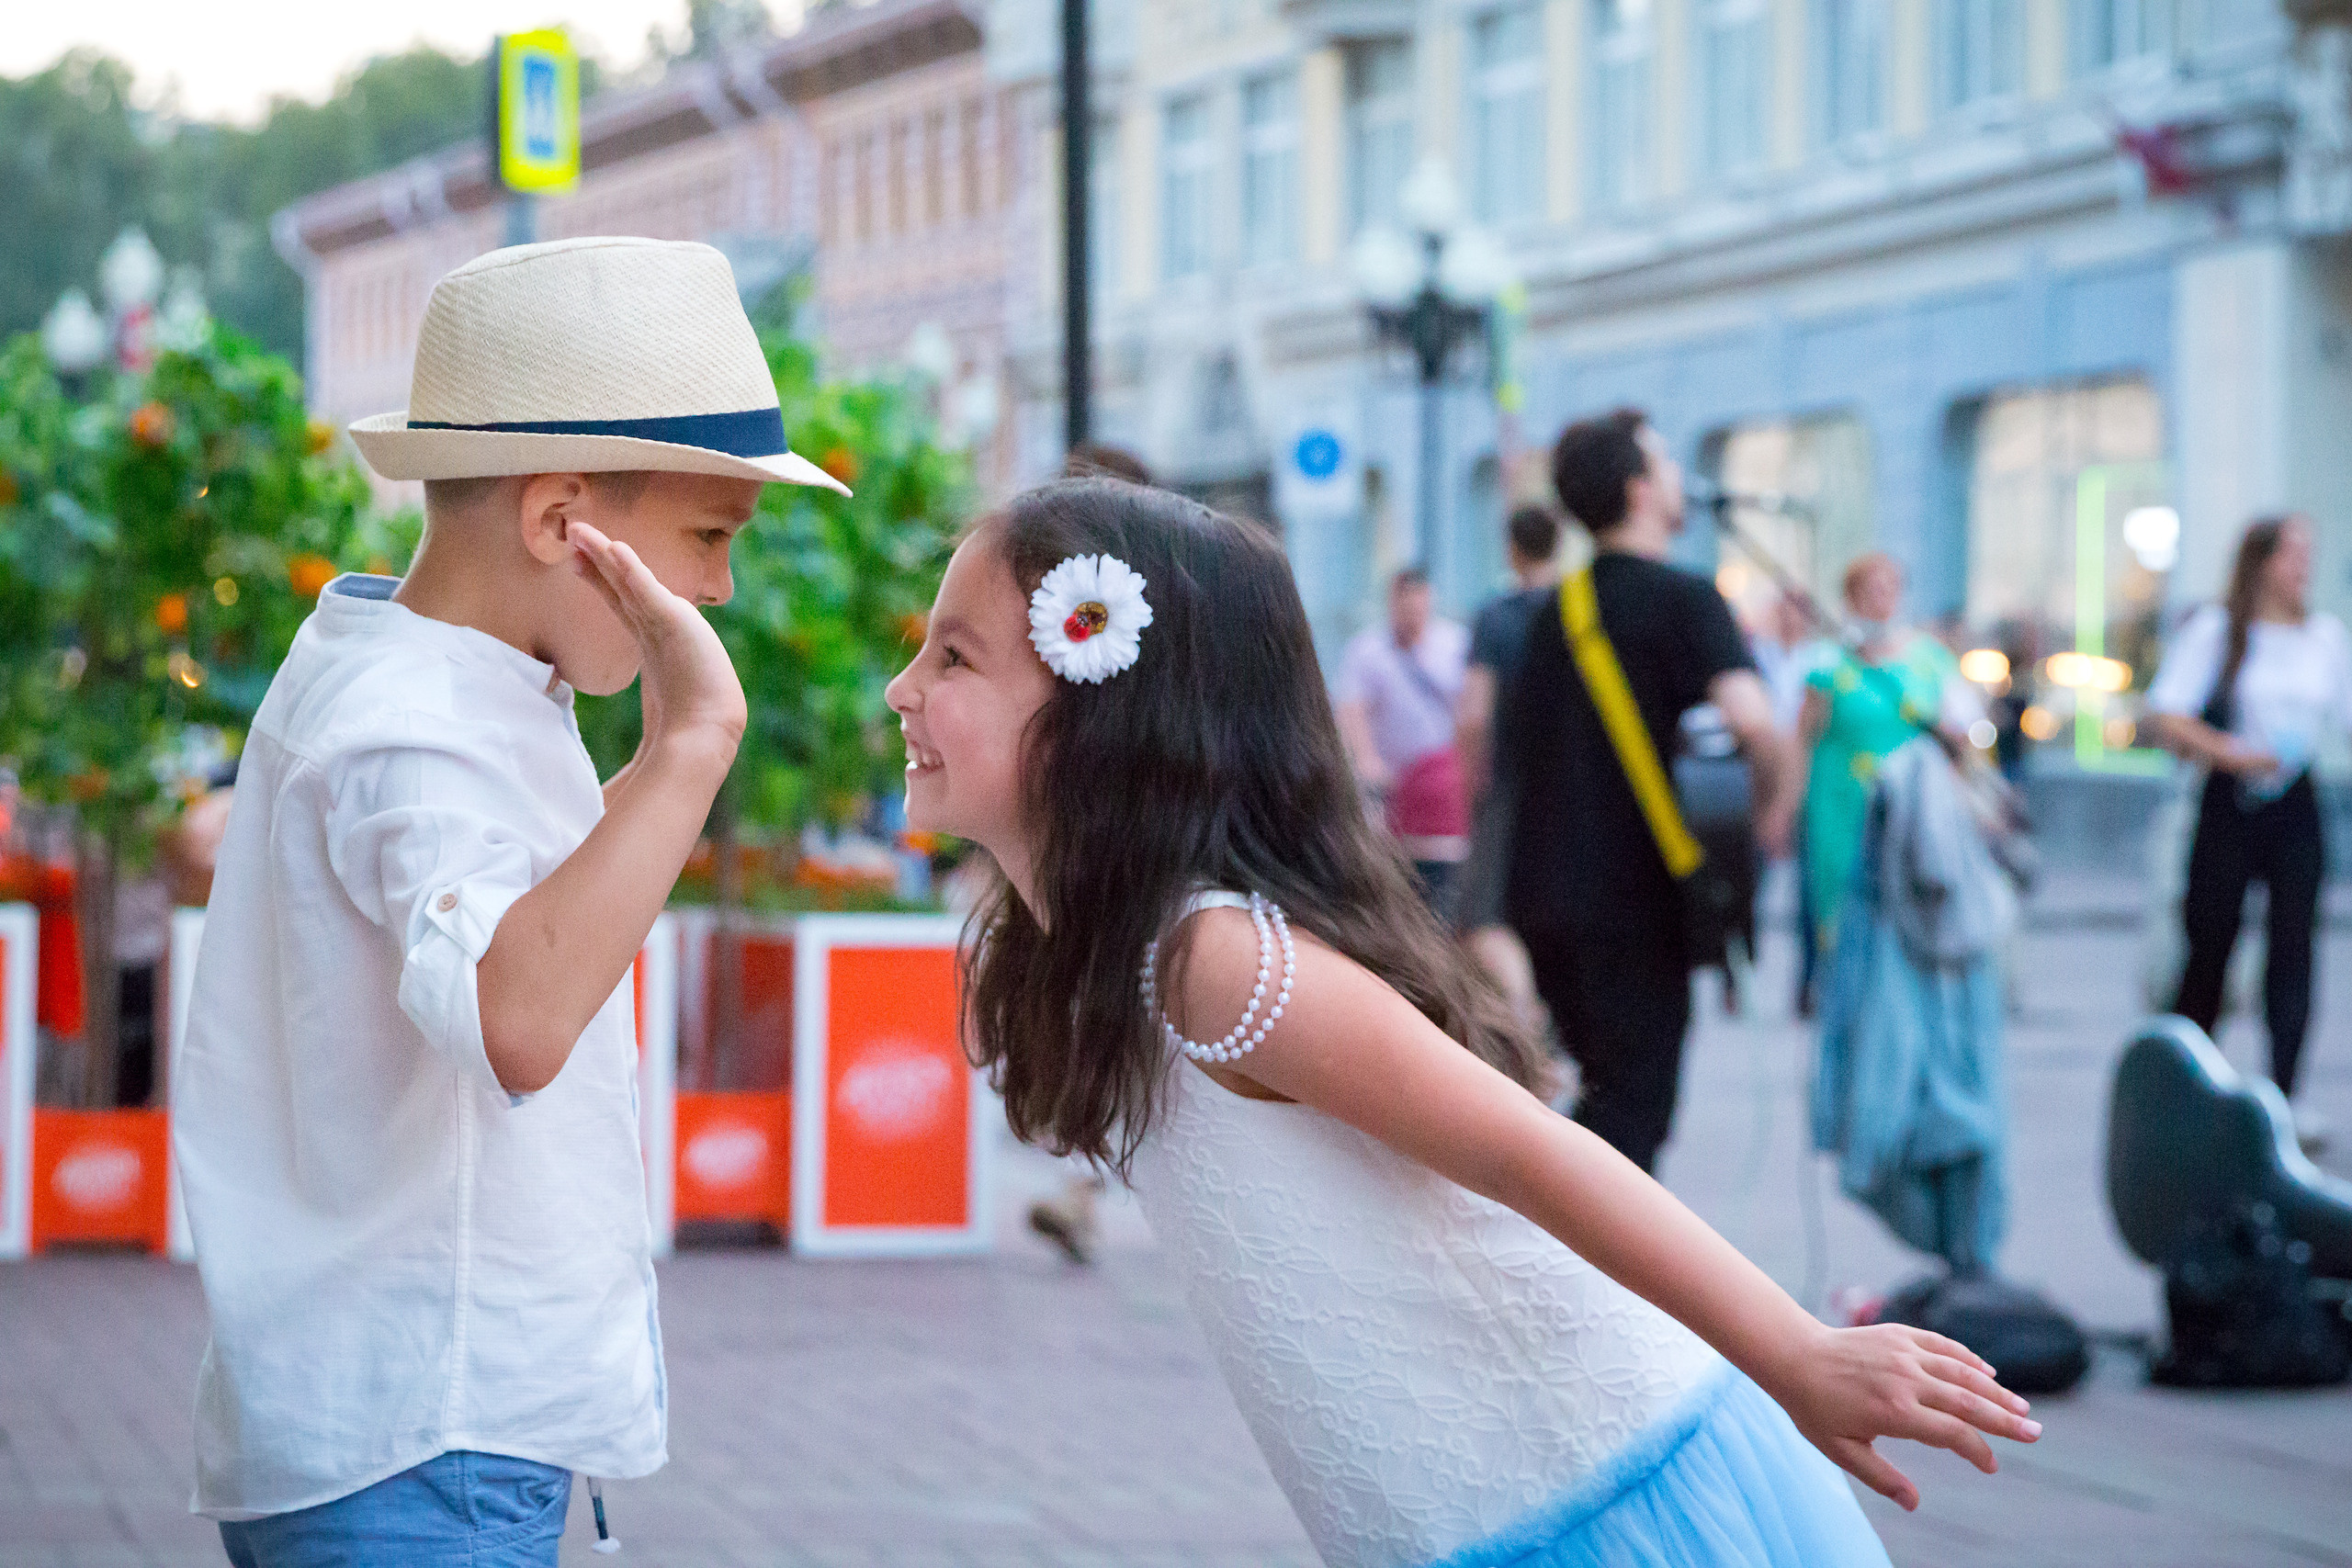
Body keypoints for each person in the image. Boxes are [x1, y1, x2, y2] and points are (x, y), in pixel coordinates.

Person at [887, 479, 2037, 1568]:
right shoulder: (1077, 952)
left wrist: (1796, 1352)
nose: (905, 690)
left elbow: (1526, 1150)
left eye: (954, 657)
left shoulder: (1215, 959)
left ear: (1107, 709)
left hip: (1605, 1500)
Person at [174, 237, 843, 1563]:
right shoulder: (416, 722)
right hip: (428, 1436)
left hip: (411, 1423)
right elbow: (518, 1013)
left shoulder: (427, 681)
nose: (717, 585)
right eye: (709, 536)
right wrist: (687, 743)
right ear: (559, 521)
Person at [1503, 410, 1795, 1175]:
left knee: (1598, 1102)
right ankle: (1586, 1284)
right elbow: (1756, 727)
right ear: (1638, 489)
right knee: (1633, 1121)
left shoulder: (1551, 615)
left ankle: (1571, 1272)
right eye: (1665, 462)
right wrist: (1765, 821)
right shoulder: (1688, 599)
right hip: (1640, 907)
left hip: (1547, 900)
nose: (1678, 477)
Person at [2143, 514, 2351, 1148]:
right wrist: (2231, 753)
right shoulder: (2218, 631)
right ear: (2262, 562)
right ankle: (2185, 1090)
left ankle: (2282, 1099)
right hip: (2229, 801)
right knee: (2210, 944)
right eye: (2293, 555)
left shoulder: (2324, 637)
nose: (2303, 569)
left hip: (2296, 801)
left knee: (2293, 953)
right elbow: (2165, 714)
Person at [1794, 553, 1984, 953]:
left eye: (1889, 587)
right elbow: (1802, 737)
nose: (1881, 597)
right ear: (1851, 595)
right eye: (1870, 588)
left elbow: (1965, 730)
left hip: (1913, 807)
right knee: (1842, 911)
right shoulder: (1828, 659)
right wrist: (1783, 806)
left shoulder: (1929, 658)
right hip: (1841, 806)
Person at [1456, 503, 1567, 1046]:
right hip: (1571, 790)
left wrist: (1471, 774)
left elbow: (1475, 711)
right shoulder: (1576, 609)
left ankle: (1521, 1016)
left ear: (1513, 550)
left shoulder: (1497, 616)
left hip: (1508, 786)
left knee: (1484, 916)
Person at [1336, 567, 1472, 913]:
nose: (1412, 615)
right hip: (1395, 784)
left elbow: (1472, 711)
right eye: (1405, 606)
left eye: (1419, 606)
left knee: (1446, 872)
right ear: (1391, 603)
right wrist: (1367, 762)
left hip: (1445, 780)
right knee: (1399, 872)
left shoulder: (1455, 645)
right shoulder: (1368, 651)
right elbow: (1352, 710)